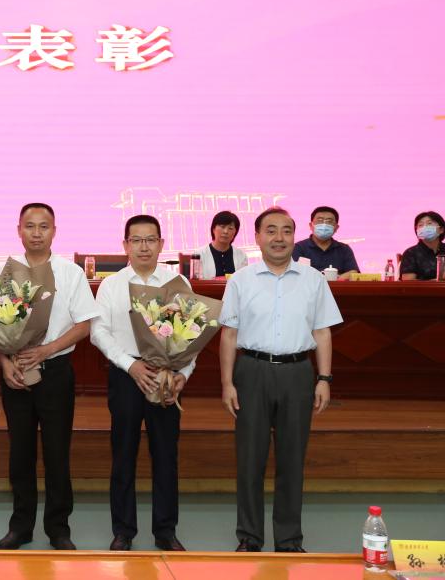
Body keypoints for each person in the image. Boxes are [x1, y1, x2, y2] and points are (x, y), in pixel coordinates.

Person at [219, 207, 341, 553]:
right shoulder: (241, 280)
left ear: (294, 237)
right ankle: (249, 536)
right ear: (257, 237)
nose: (279, 238)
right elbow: (229, 334)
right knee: (250, 459)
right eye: (270, 231)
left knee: (292, 459)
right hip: (252, 372)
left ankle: (288, 539)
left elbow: (323, 331)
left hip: (297, 373)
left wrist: (324, 378)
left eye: (286, 231)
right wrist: (227, 383)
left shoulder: (313, 279)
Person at [0, 203, 100, 552]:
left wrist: (46, 350)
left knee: (57, 453)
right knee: (20, 453)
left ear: (54, 231)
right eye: (30, 226)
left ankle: (58, 528)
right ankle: (20, 526)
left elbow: (84, 325)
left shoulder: (70, 273)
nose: (36, 233)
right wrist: (4, 362)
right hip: (15, 372)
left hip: (55, 372)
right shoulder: (6, 272)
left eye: (44, 226)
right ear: (19, 230)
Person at [91, 214, 192, 552]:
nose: (144, 247)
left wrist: (183, 374)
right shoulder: (112, 285)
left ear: (161, 244)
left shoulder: (177, 282)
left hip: (166, 377)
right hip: (126, 377)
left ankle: (165, 531)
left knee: (166, 456)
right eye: (136, 240)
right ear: (125, 245)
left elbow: (193, 333)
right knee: (123, 455)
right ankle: (123, 531)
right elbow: (99, 332)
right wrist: (131, 365)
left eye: (150, 240)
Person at [291, 206, 359, 278]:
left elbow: (353, 272)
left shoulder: (344, 249)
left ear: (336, 227)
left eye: (329, 221)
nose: (324, 225)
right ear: (311, 225)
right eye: (320, 221)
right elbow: (294, 274)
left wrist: (335, 280)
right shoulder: (299, 247)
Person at [196, 210, 248, 279]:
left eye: (230, 228)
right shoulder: (199, 254)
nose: (226, 231)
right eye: (222, 227)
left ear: (235, 232)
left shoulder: (241, 255)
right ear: (213, 229)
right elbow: (197, 281)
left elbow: (243, 280)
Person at [399, 211, 445, 280]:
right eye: (420, 225)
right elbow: (408, 283)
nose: (424, 227)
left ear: (441, 229)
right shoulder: (411, 253)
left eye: (429, 223)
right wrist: (436, 282)